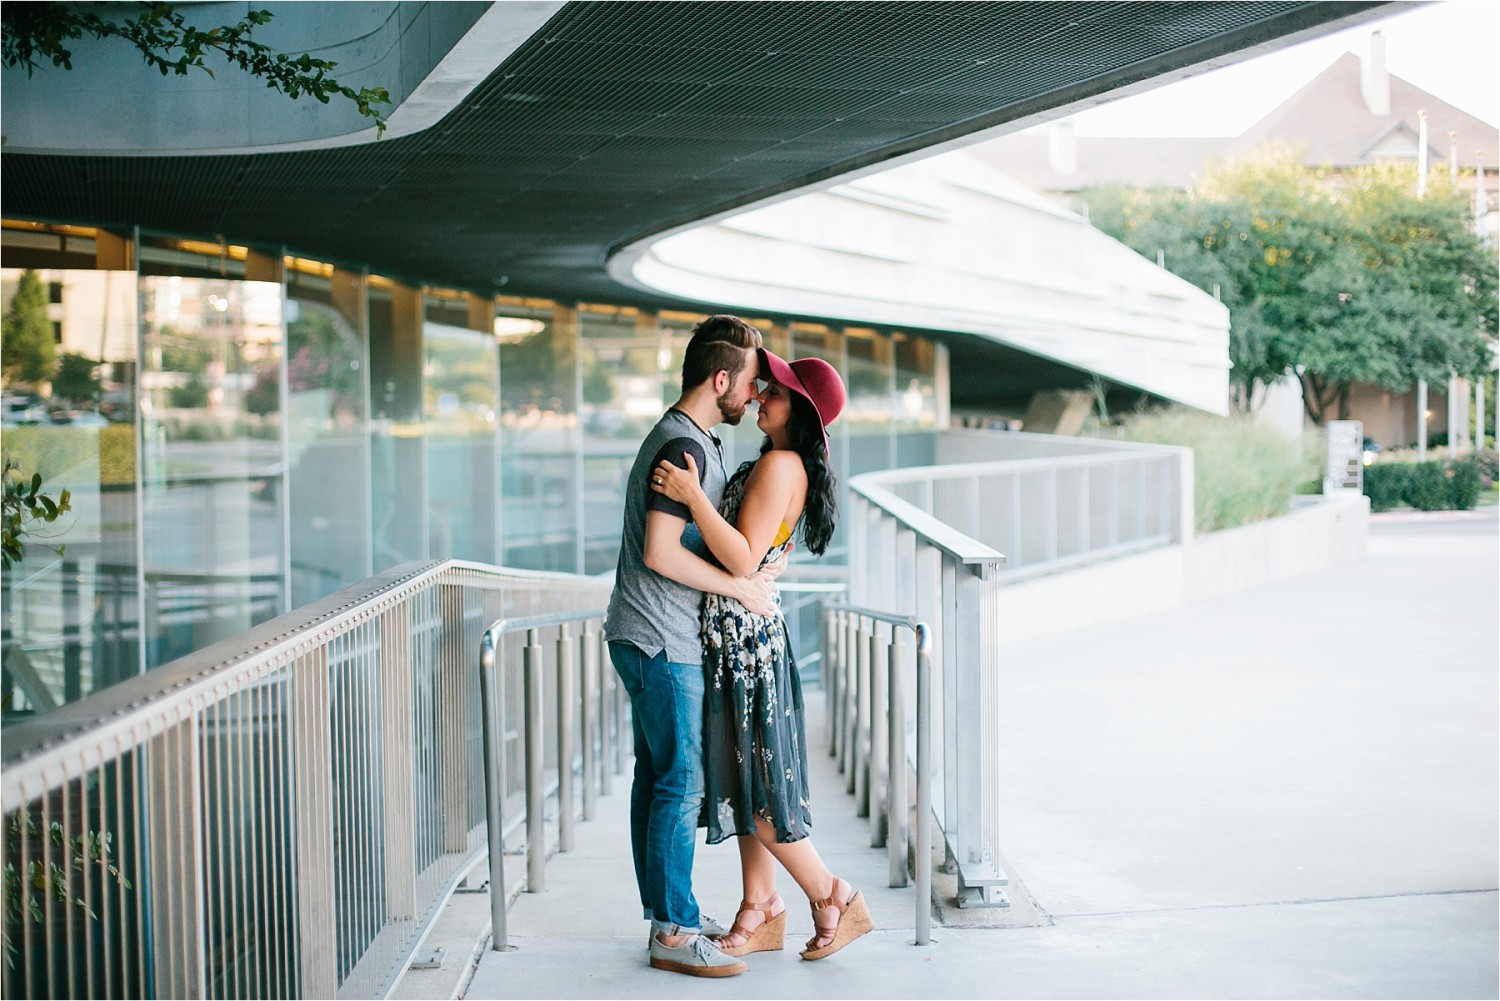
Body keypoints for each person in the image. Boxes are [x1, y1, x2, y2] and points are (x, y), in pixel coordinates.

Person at [650, 347, 873, 962]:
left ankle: (832, 894)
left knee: (761, 789)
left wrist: (693, 498)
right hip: (734, 635)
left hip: (745, 642)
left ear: (796, 411)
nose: (760, 395)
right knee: (745, 781)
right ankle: (760, 902)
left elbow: (742, 559)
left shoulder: (781, 466)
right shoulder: (775, 462)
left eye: (773, 391)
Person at [604, 314, 781, 979]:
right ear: (721, 379)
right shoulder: (685, 448)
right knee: (681, 781)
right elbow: (659, 551)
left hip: (644, 633)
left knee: (658, 777)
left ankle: (666, 914)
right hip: (660, 637)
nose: (754, 397)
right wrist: (740, 590)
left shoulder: (685, 439)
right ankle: (674, 929)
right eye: (751, 383)